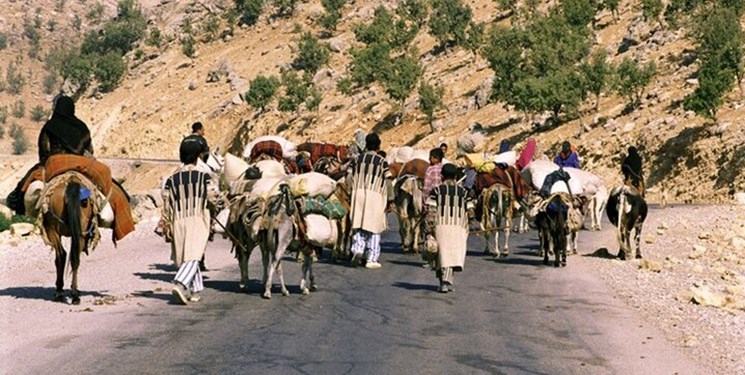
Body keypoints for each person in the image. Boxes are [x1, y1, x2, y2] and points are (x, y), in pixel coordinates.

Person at [159, 137, 222, 304]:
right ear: (198, 157)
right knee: (194, 256)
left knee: (187, 255)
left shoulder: (171, 180)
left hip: (178, 221)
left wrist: (167, 224)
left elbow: (166, 204)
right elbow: (213, 199)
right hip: (198, 218)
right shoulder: (203, 177)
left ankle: (194, 291)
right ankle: (180, 283)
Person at [425, 164, 471, 293]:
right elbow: (471, 211)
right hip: (459, 227)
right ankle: (445, 281)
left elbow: (431, 212)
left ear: (442, 176)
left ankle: (444, 282)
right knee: (451, 254)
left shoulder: (437, 191)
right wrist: (470, 223)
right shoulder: (464, 192)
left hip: (441, 226)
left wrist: (429, 228)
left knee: (442, 254)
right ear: (456, 177)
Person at [349, 133, 391, 269]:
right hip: (375, 196)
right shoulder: (382, 162)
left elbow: (349, 177)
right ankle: (371, 259)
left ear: (366, 145)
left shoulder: (357, 159)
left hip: (358, 192)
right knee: (374, 226)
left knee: (359, 222)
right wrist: (390, 199)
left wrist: (352, 192)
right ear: (379, 145)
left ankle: (358, 249)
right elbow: (388, 181)